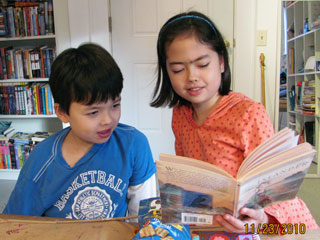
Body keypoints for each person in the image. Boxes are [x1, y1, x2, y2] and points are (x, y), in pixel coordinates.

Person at [151, 11, 319, 232]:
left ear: (221, 62)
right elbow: (188, 176)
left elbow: (276, 186)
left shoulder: (248, 114)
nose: (191, 76)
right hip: (215, 221)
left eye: (202, 65)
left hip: (268, 223)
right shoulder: (180, 113)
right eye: (178, 69)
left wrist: (260, 219)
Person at [4, 43, 157, 220]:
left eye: (115, 105)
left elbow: (147, 215)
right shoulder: (42, 160)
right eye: (93, 112)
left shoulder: (133, 145)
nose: (108, 120)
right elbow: (15, 223)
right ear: (62, 113)